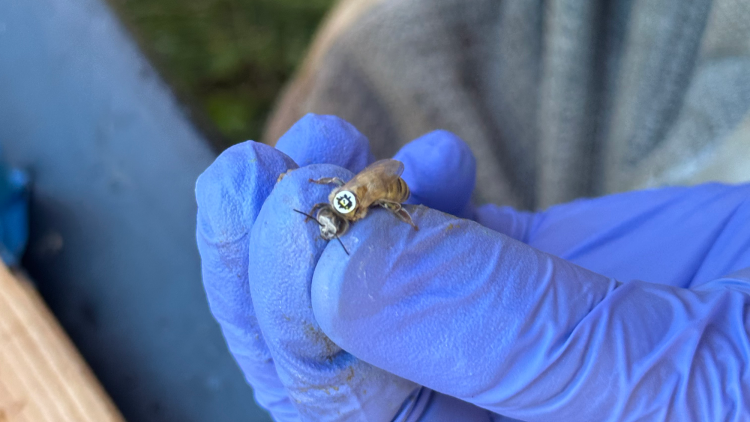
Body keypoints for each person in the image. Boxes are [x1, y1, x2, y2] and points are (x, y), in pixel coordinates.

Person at [198, 1, 750, 420]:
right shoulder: (339, 212)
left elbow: (377, 197)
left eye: (335, 215)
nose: (334, 219)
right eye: (334, 217)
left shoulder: (366, 207)